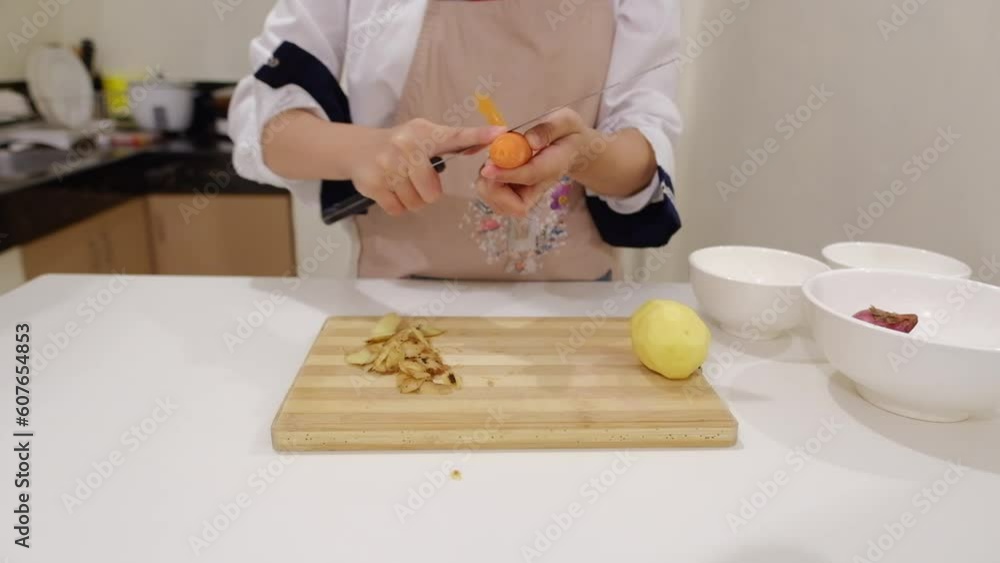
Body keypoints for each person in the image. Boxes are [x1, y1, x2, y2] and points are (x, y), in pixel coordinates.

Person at [229, 0, 682, 281]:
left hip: (573, 307)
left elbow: (644, 142)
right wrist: (365, 151)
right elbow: (270, 129)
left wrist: (584, 152)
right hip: (397, 302)